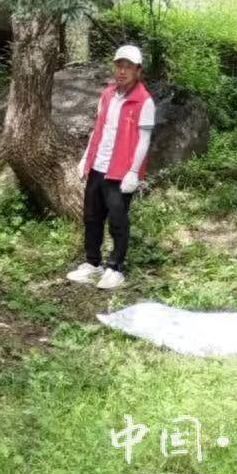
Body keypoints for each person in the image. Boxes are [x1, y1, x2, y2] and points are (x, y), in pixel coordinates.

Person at [67, 44, 155, 292]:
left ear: (138, 70)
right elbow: (99, 128)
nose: (122, 71)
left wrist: (134, 172)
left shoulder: (144, 101)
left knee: (117, 220)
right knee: (92, 217)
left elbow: (144, 140)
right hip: (98, 165)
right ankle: (92, 263)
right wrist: (86, 157)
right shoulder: (107, 95)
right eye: (119, 65)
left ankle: (115, 268)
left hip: (121, 171)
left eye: (128, 66)